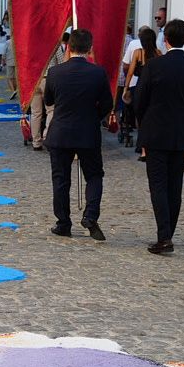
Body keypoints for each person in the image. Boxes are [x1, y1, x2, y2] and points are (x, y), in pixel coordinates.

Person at [133, 20, 184, 255]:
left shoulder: (154, 66)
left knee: (158, 186)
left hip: (155, 133)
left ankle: (164, 236)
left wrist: (145, 121)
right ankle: (168, 233)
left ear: (166, 40)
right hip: (181, 133)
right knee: (175, 186)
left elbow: (140, 100)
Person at [42, 28, 112, 241]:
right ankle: (90, 215)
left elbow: (49, 101)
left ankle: (63, 222)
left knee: (61, 179)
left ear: (69, 47)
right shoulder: (98, 73)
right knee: (94, 176)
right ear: (90, 49)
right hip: (88, 133)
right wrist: (93, 116)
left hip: (61, 132)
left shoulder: (55, 73)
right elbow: (107, 104)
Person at [29, 32, 70, 150]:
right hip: (48, 79)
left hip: (34, 79)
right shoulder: (54, 44)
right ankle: (47, 137)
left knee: (35, 112)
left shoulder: (31, 45)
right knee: (51, 110)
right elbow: (62, 62)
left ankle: (36, 142)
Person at [122, 27, 159, 148]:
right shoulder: (158, 53)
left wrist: (125, 88)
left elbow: (130, 72)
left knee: (140, 115)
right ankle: (150, 142)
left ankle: (142, 145)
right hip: (154, 89)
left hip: (140, 87)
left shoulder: (138, 52)